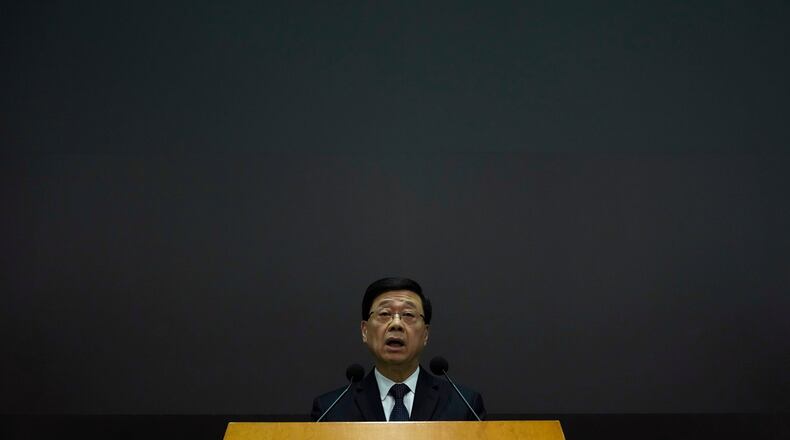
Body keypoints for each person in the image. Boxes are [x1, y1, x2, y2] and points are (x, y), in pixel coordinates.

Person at [311, 277, 486, 421]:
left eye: (408, 315)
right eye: (384, 314)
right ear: (365, 331)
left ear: (425, 333)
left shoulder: (463, 406)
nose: (396, 324)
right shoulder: (331, 411)